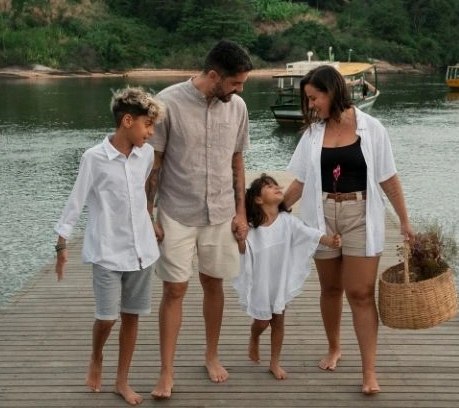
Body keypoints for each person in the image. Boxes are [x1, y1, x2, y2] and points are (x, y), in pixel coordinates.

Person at [282, 65, 415, 395]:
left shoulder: (372, 128)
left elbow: (388, 178)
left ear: (332, 91)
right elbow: (300, 182)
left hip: (360, 214)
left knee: (360, 292)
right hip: (321, 215)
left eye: (314, 97)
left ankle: (369, 371)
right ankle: (334, 347)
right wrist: (274, 212)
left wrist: (404, 221)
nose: (311, 105)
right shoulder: (312, 134)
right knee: (330, 289)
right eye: (308, 99)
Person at [145, 40, 253, 399]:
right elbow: (154, 165)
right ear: (214, 75)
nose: (240, 90)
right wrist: (148, 214)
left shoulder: (237, 107)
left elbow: (237, 161)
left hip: (221, 212)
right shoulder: (168, 103)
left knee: (213, 282)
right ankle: (166, 371)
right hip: (176, 211)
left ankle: (211, 355)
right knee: (174, 289)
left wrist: (241, 212)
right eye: (235, 83)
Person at [53, 87, 166, 405]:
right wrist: (61, 245)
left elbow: (142, 192)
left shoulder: (146, 154)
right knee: (107, 318)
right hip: (107, 251)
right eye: (147, 124)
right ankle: (96, 356)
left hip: (142, 250)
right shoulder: (94, 158)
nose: (150, 132)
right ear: (128, 121)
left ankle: (121, 381)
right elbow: (76, 200)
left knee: (132, 315)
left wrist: (151, 219)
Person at [232, 174, 341, 380]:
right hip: (260, 282)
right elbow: (243, 250)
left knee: (278, 321)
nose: (276, 187)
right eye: (269, 186)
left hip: (279, 280)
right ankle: (254, 336)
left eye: (276, 185)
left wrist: (328, 240)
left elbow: (309, 233)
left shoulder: (288, 221)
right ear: (258, 199)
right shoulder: (253, 228)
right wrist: (239, 238)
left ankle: (274, 362)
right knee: (262, 322)